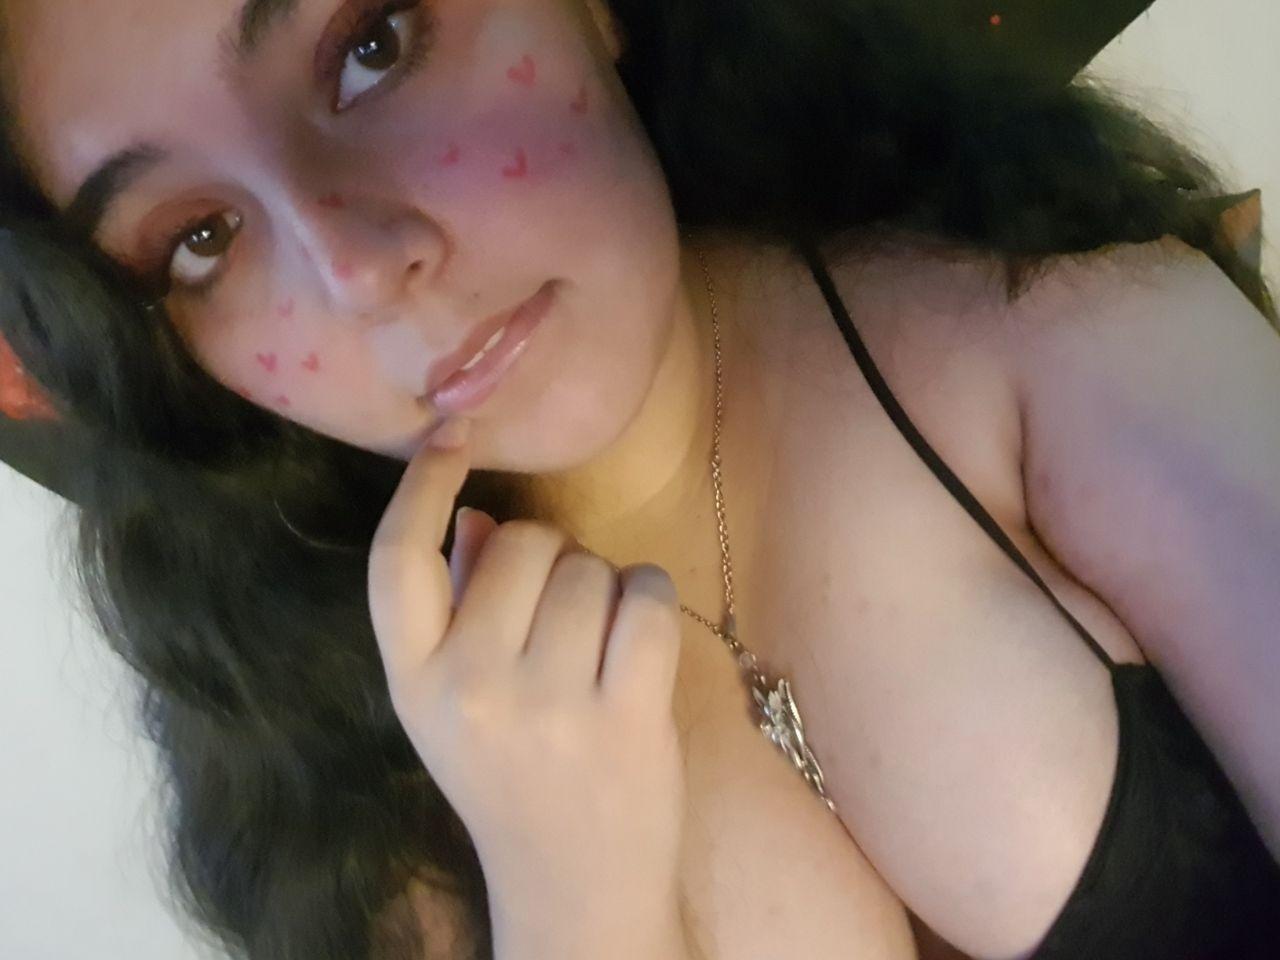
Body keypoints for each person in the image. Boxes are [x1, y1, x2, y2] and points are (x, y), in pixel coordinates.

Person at [0, 2, 1276, 959]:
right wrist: (571, 904)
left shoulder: (1034, 324)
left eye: (371, 46)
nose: (355, 271)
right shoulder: (355, 805)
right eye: (201, 240)